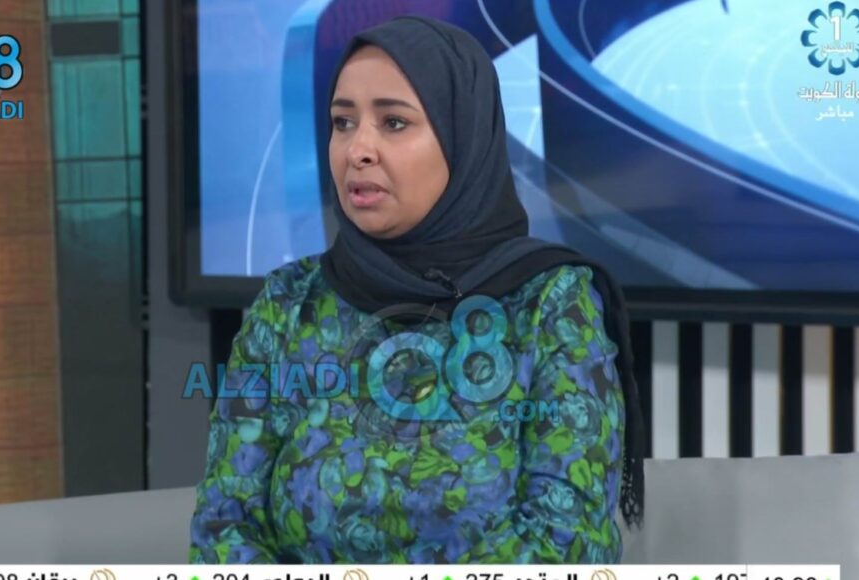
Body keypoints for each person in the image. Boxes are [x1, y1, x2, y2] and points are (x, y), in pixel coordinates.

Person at [189, 15, 646, 564]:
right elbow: (224, 526)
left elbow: (567, 545)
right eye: (342, 122)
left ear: (461, 137)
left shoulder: (550, 305)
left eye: (394, 123)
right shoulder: (288, 303)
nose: (358, 150)